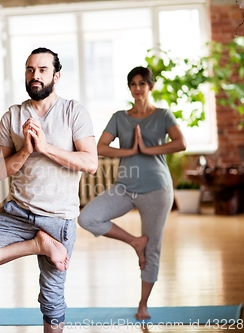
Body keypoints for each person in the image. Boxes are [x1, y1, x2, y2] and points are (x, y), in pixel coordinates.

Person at [0, 47, 98, 332]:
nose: (35, 75)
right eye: (30, 69)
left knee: (52, 300)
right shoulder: (13, 115)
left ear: (56, 76)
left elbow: (90, 162)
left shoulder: (73, 112)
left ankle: (44, 242)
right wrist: (24, 153)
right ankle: (36, 244)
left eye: (43, 70)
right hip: (17, 213)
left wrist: (45, 148)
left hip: (58, 220)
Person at [78, 66, 186, 320]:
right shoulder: (119, 117)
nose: (137, 88)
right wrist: (129, 151)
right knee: (88, 218)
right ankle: (134, 242)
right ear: (129, 88)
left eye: (142, 83)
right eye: (133, 84)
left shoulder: (162, 115)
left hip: (157, 190)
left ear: (151, 86)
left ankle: (143, 304)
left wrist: (147, 150)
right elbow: (100, 147)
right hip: (125, 187)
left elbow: (181, 143)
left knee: (153, 250)